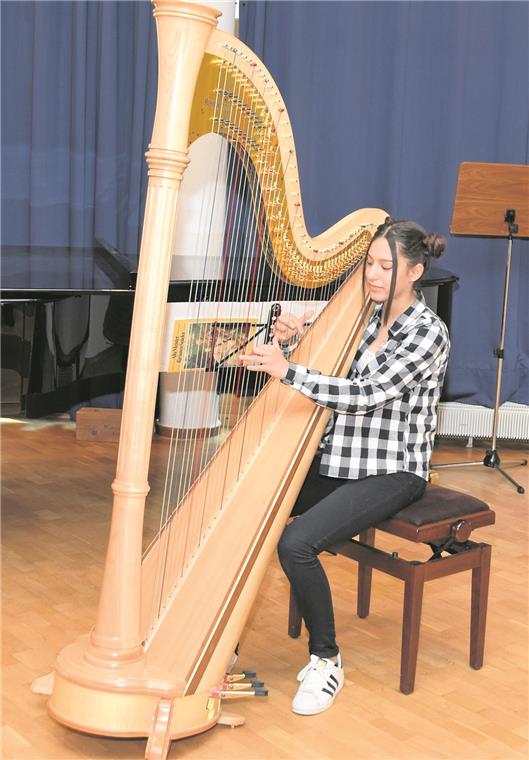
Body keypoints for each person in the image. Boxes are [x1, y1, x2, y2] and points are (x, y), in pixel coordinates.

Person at [240, 218, 450, 716]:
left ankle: (326, 660)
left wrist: (288, 370)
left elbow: (364, 395)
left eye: (385, 266)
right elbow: (326, 367)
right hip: (340, 458)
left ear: (415, 271)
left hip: (393, 468)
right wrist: (293, 340)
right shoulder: (361, 316)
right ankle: (223, 636)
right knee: (253, 503)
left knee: (296, 542)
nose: (373, 275)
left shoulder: (428, 333)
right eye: (369, 264)